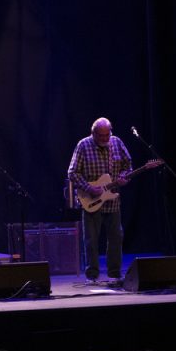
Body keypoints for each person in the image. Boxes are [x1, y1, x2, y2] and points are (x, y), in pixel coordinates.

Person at [68, 117, 132, 282]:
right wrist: (89, 188)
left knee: (116, 238)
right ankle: (92, 276)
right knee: (91, 241)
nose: (105, 139)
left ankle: (115, 274)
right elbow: (72, 172)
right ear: (93, 133)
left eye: (107, 135)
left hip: (112, 202)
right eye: (101, 136)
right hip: (91, 200)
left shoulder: (116, 142)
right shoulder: (83, 145)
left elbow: (128, 165)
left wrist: (124, 176)